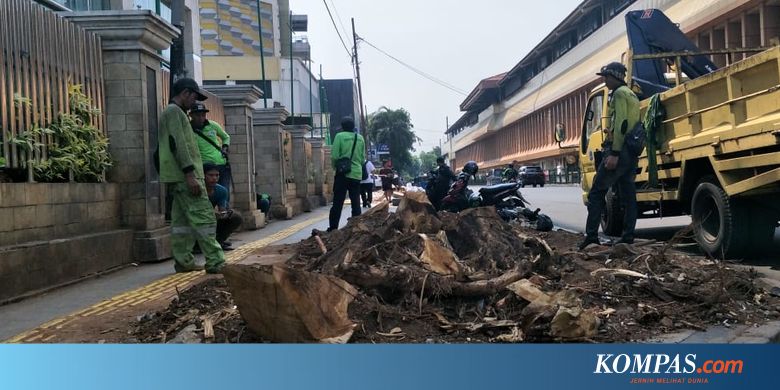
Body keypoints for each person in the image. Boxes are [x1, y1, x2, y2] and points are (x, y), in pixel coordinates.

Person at [158, 78, 224, 274]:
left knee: (182, 223)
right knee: (205, 218)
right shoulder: (174, 112)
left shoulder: (174, 113)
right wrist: (190, 174)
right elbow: (179, 144)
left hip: (178, 176)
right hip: (186, 176)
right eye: (194, 97)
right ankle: (216, 261)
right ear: (185, 93)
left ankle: (183, 261)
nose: (195, 102)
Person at [579, 62, 640, 250]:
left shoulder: (619, 94)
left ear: (615, 76)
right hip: (631, 151)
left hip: (619, 151)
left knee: (596, 192)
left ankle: (591, 237)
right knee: (628, 195)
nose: (604, 80)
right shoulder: (631, 94)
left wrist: (614, 153)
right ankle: (628, 237)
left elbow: (621, 124)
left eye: (606, 76)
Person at [328, 117, 366, 232]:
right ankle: (356, 228)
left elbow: (334, 156)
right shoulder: (360, 138)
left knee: (338, 202)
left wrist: (336, 168)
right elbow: (362, 159)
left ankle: (333, 228)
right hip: (356, 174)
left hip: (342, 174)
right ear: (353, 127)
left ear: (342, 127)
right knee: (356, 202)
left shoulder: (339, 136)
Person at [190, 102, 231, 194]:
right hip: (203, 166)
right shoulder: (188, 129)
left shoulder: (212, 125)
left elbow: (226, 137)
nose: (201, 118)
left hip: (220, 163)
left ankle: (224, 203)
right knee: (206, 192)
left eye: (203, 115)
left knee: (224, 190)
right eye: (197, 115)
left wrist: (224, 148)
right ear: (191, 115)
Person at [204, 163, 243, 251]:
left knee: (236, 216)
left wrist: (225, 214)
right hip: (197, 218)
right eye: (211, 175)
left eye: (217, 175)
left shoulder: (221, 191)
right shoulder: (197, 189)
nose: (214, 178)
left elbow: (222, 209)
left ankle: (219, 241)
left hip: (211, 218)